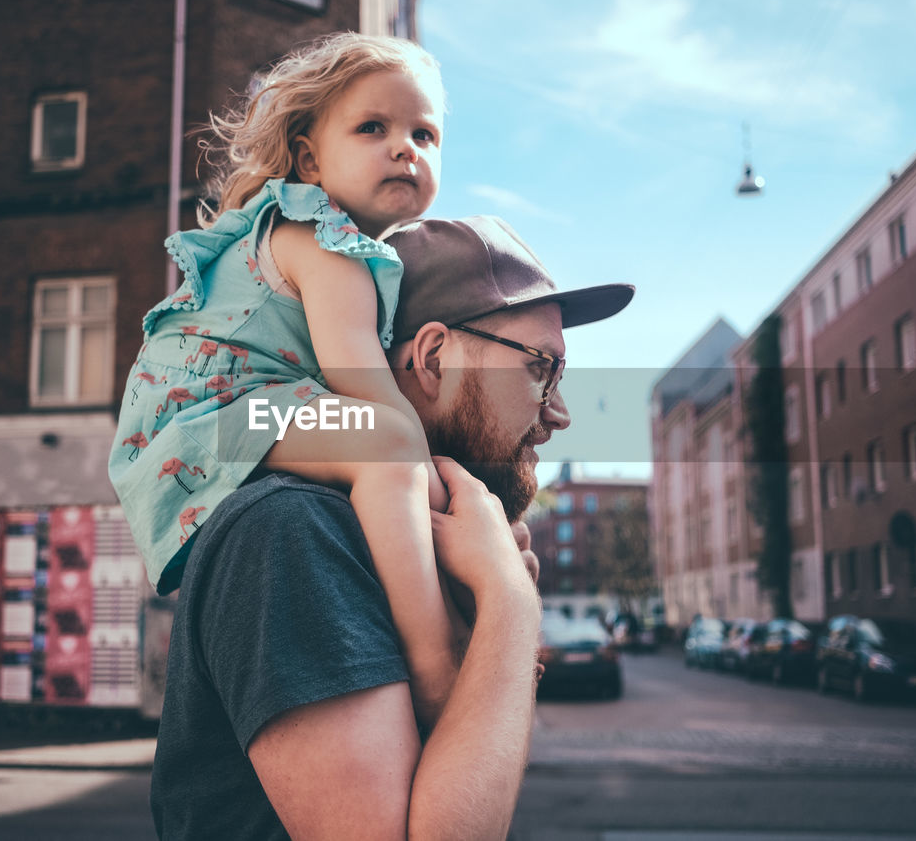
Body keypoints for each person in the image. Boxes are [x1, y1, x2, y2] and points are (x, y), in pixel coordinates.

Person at [150, 214, 634, 839]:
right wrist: (511, 606)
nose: (560, 413)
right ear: (433, 357)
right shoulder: (293, 532)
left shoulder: (396, 554)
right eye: (541, 367)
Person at [109, 32, 461, 727]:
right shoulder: (320, 242)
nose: (405, 147)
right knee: (388, 441)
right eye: (373, 128)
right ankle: (437, 666)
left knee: (380, 448)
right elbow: (361, 383)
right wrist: (445, 492)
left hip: (223, 419)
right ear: (308, 158)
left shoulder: (328, 243)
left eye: (425, 133)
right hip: (214, 417)